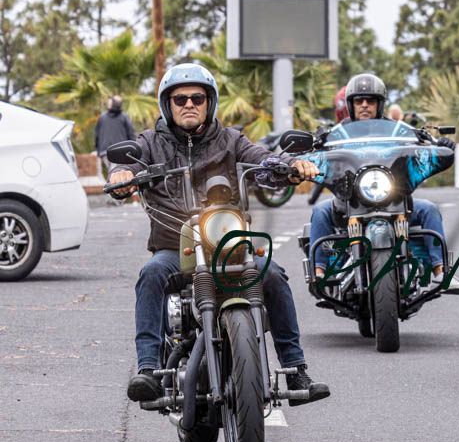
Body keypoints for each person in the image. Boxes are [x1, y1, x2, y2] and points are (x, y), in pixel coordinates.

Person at [108, 63, 328, 403]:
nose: (189, 104)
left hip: (230, 246)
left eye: (197, 97)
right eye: (180, 99)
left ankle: (295, 370)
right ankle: (148, 370)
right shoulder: (150, 142)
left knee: (273, 276)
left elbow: (261, 159)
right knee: (151, 274)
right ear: (167, 105)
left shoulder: (231, 140)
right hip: (176, 249)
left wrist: (288, 167)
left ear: (210, 102)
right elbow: (130, 165)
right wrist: (122, 176)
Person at [307, 73, 459, 292]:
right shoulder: (334, 134)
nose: (364, 105)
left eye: (370, 100)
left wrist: (439, 144)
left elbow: (423, 142)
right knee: (320, 211)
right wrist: (308, 151)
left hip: (393, 197)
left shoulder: (400, 129)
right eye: (358, 101)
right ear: (350, 104)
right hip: (350, 201)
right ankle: (320, 274)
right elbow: (315, 151)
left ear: (379, 104)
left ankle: (441, 272)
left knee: (429, 209)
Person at [95, 95, 136, 178]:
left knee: (113, 172)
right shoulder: (123, 117)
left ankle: (112, 188)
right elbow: (131, 134)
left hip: (105, 152)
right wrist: (133, 148)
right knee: (116, 173)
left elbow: (96, 135)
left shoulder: (102, 117)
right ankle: (113, 188)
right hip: (120, 151)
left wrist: (98, 150)